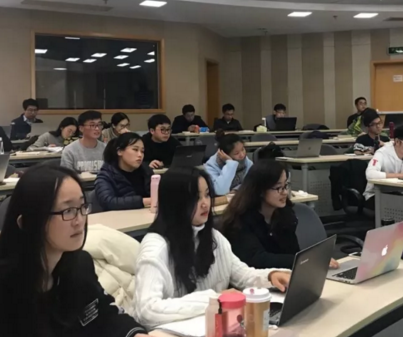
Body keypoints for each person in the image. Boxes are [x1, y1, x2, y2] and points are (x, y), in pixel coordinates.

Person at [0, 165, 149, 337]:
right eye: (67, 211)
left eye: (82, 207)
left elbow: (104, 314)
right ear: (27, 222)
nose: (79, 221)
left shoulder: (79, 264)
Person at [133, 167, 291, 329]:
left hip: (212, 328)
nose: (205, 203)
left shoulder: (214, 237)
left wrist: (271, 276)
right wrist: (215, 299)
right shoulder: (156, 247)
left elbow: (242, 275)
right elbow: (146, 310)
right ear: (175, 202)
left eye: (207, 195)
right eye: (196, 197)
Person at [221, 160, 340, 270]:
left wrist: (309, 260)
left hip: (284, 278)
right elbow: (256, 259)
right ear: (260, 190)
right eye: (278, 188)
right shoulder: (239, 220)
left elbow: (293, 252)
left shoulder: (284, 213)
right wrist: (305, 259)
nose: (285, 192)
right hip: (254, 282)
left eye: (286, 186)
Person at [364, 125, 403, 206]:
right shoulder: (382, 153)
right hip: (376, 195)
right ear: (397, 141)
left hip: (400, 194)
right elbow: (370, 174)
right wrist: (400, 175)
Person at [95, 133, 152, 210]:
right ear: (120, 151)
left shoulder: (146, 171)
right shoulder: (106, 175)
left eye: (142, 151)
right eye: (135, 150)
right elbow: (107, 201)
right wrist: (142, 201)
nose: (140, 155)